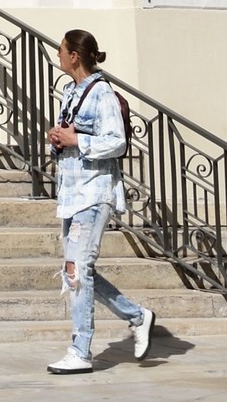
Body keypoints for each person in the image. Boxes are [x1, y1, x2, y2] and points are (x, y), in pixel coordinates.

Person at [45, 28, 154, 373]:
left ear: (75, 56)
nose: (58, 57)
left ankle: (80, 351)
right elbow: (73, 135)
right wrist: (60, 140)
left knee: (77, 271)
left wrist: (77, 140)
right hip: (72, 192)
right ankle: (138, 316)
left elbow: (117, 142)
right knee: (76, 270)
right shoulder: (70, 92)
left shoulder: (101, 93)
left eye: (62, 51)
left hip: (95, 192)